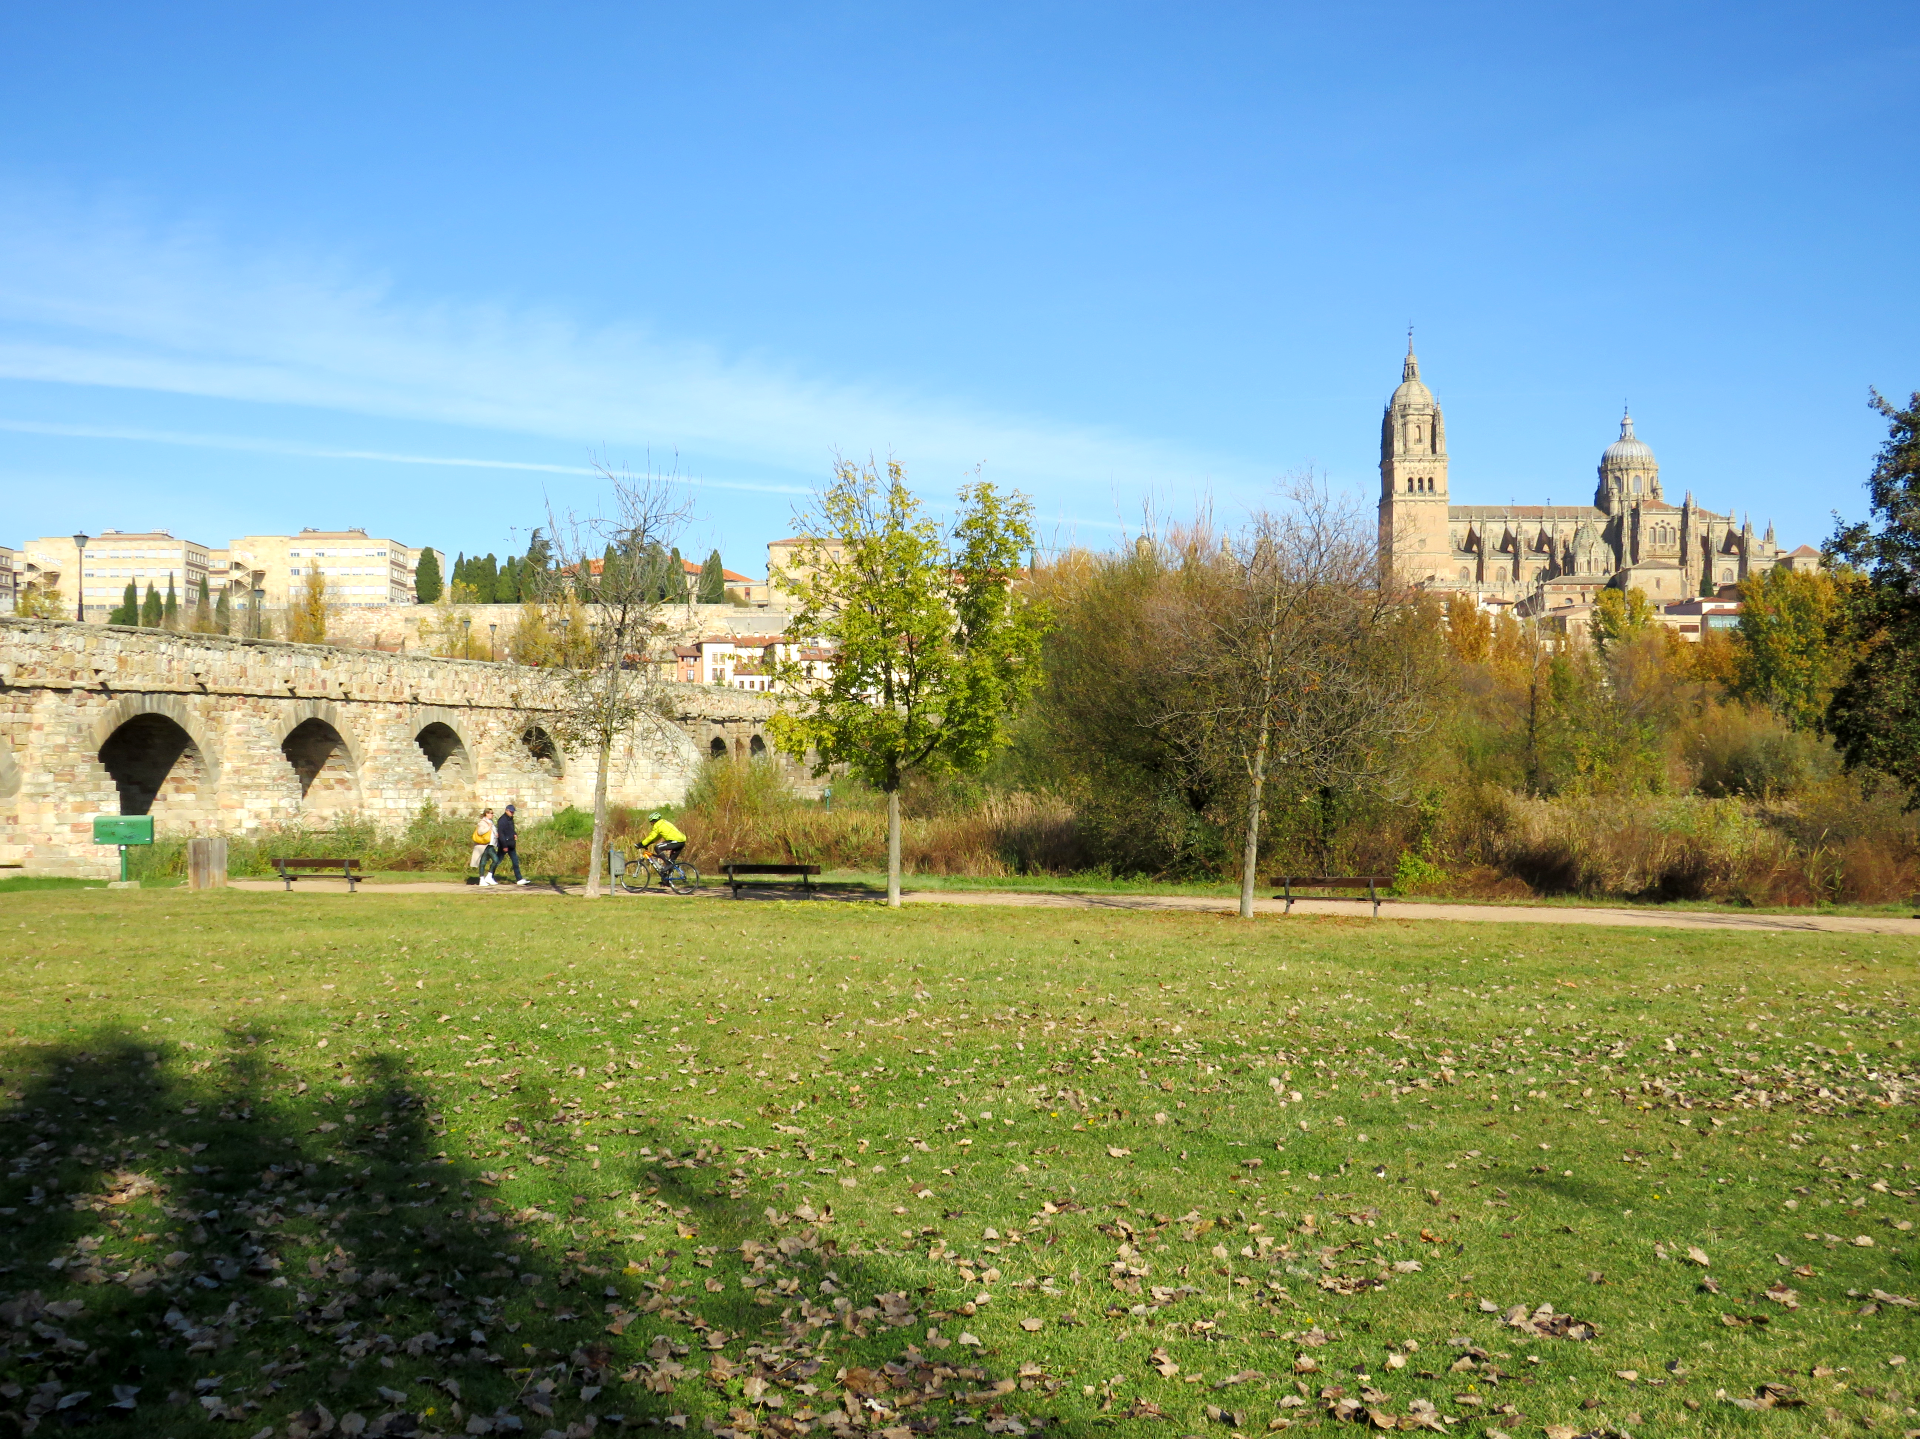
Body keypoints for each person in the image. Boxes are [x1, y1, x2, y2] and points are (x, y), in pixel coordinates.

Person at [489, 802, 528, 886]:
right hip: (505, 845)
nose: (512, 813)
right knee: (497, 861)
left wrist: (514, 834)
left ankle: (519, 879)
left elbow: (511, 829)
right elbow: (501, 834)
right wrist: (504, 846)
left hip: (511, 844)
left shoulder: (510, 819)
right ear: (506, 810)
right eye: (511, 811)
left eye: (513, 812)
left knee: (515, 862)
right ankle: (489, 875)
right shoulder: (502, 820)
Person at [470, 807, 496, 883]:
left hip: (490, 844)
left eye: (492, 813)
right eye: (489, 813)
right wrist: (489, 826)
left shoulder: (490, 822)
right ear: (485, 814)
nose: (491, 814)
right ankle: (483, 879)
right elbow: (480, 832)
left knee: (488, 860)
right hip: (484, 845)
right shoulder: (482, 822)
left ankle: (487, 877)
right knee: (490, 860)